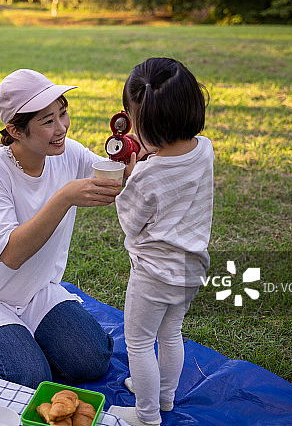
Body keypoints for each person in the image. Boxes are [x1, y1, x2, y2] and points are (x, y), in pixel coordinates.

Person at [0, 68, 124, 388]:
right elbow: (11, 254)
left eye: (63, 114)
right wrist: (63, 198)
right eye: (48, 121)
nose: (61, 127)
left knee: (93, 360)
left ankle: (20, 341)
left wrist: (134, 154)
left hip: (34, 290)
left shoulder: (69, 153)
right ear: (15, 130)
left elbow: (113, 180)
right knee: (28, 377)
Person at [108, 58, 214, 426]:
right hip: (191, 267)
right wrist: (153, 149)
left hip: (153, 274)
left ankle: (146, 416)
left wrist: (129, 176)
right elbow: (175, 165)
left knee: (138, 343)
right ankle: (165, 398)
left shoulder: (146, 176)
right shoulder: (205, 149)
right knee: (171, 332)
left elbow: (131, 225)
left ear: (144, 126)